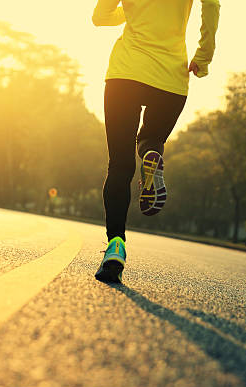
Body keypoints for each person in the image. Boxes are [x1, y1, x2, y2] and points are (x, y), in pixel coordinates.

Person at [93, 0, 220, 282]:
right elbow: (212, 4)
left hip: (125, 74)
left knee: (120, 166)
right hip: (171, 79)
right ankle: (151, 154)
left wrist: (134, 10)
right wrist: (204, 56)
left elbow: (100, 17)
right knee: (150, 138)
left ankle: (115, 247)